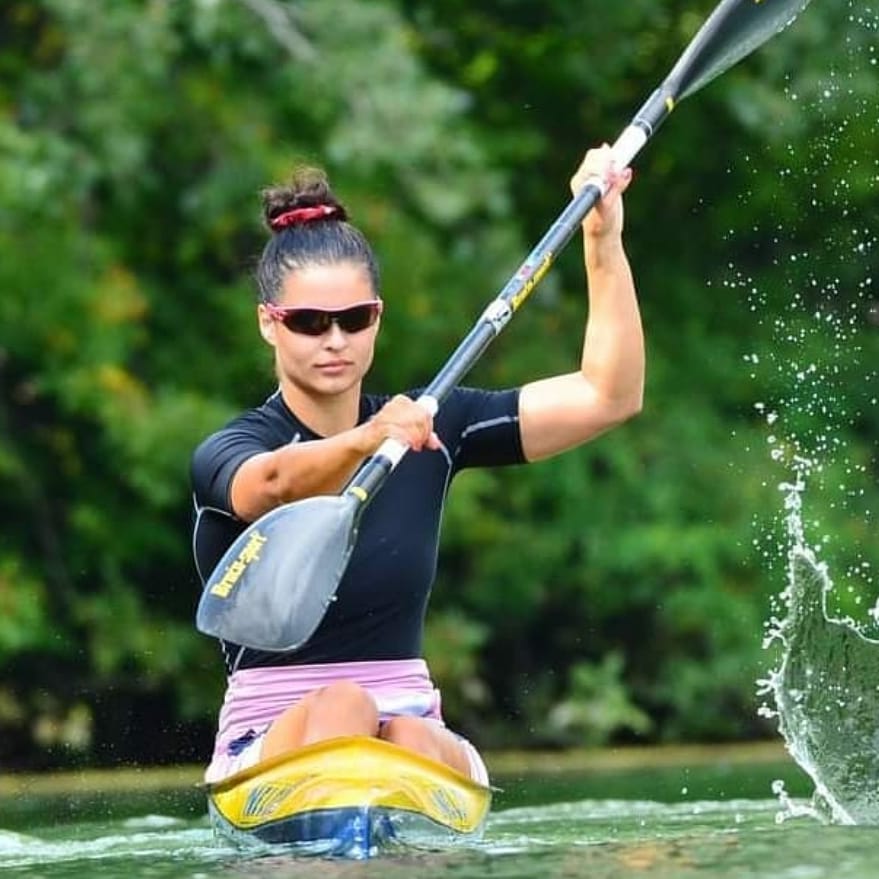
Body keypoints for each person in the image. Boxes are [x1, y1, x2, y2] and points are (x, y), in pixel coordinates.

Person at [191, 145, 643, 786]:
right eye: (309, 322)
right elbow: (266, 487)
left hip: (412, 725)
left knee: (405, 733)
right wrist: (367, 441)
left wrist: (603, 237)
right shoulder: (232, 448)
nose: (335, 340)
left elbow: (609, 396)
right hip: (269, 734)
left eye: (354, 319)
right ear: (269, 324)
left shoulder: (431, 425)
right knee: (346, 704)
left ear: (377, 318)